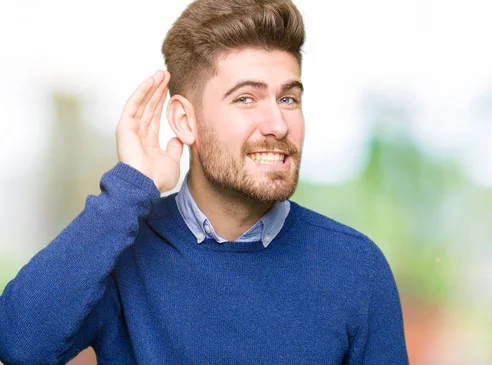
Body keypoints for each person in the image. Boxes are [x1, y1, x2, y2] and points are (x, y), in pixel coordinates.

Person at [0, 0, 409, 363]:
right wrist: (129, 190)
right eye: (246, 98)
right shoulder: (120, 248)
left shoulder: (356, 268)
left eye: (288, 98)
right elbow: (18, 343)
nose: (278, 124)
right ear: (184, 120)